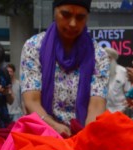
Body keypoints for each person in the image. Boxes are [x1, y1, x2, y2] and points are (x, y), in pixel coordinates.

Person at [20, 0, 109, 138]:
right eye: (66, 15)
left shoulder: (99, 55)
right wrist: (53, 126)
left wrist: (86, 136)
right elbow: (31, 101)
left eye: (80, 17)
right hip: (42, 134)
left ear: (87, 18)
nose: (73, 23)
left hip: (82, 135)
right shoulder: (33, 47)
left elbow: (97, 106)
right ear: (54, 12)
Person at [104, 47, 130, 112]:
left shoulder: (123, 71)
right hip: (104, 110)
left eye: (108, 58)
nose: (106, 60)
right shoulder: (98, 73)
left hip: (121, 109)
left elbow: (128, 91)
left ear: (113, 59)